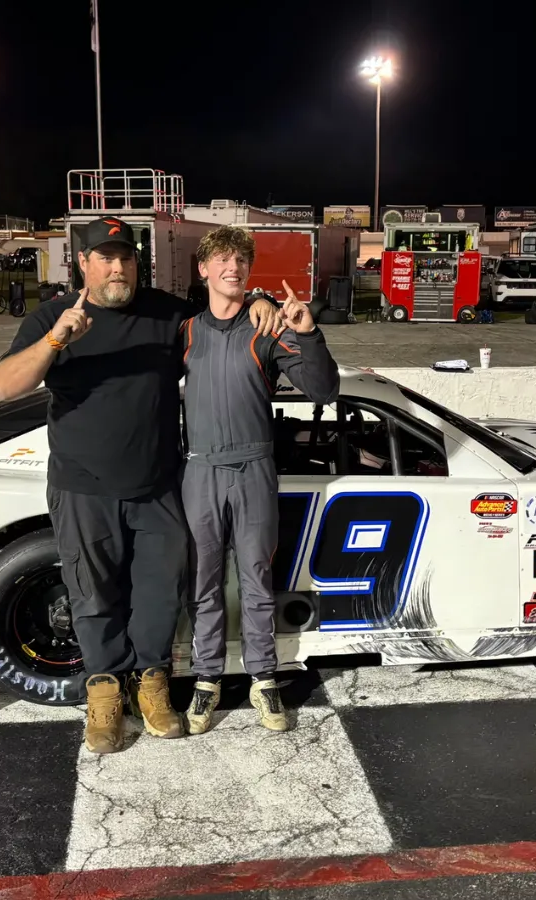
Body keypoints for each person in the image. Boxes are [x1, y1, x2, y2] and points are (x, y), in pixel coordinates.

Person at [0, 216, 281, 755]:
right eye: (105, 258)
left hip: (158, 486)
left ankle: (151, 685)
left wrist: (259, 298)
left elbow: (222, 312)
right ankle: (104, 693)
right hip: (83, 487)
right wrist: (56, 340)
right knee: (93, 594)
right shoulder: (54, 316)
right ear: (83, 262)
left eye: (125, 257)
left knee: (157, 595)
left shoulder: (167, 315)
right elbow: (6, 385)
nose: (117, 268)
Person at [180, 226, 340, 736]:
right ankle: (207, 679)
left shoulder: (267, 328)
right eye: (222, 259)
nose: (233, 268)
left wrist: (308, 333)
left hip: (253, 468)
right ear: (203, 269)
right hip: (200, 468)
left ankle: (263, 678)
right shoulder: (184, 331)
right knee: (203, 583)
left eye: (241, 261)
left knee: (256, 580)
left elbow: (323, 390)